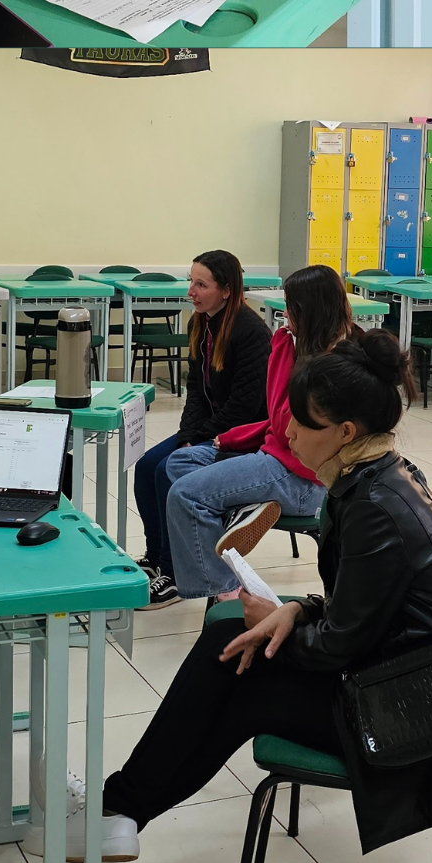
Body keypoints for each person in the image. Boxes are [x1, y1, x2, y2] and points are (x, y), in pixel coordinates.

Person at [94, 332, 432, 863]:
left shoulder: (374, 506)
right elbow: (367, 606)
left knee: (238, 677)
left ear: (345, 431)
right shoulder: (376, 477)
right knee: (229, 639)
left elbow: (341, 646)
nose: (287, 431)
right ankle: (119, 813)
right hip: (396, 674)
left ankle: (117, 812)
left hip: (407, 711)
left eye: (302, 423)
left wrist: (285, 627)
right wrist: (297, 609)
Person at [163, 262, 348, 599]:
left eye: (290, 307)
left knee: (184, 495)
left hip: (305, 479)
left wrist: (282, 350)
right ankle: (244, 510)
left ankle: (228, 591)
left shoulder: (333, 363)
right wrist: (231, 438)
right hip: (277, 459)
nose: (283, 314)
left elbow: (285, 423)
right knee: (180, 461)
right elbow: (275, 420)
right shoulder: (300, 345)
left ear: (310, 310)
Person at [132, 252, 271, 607]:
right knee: (147, 466)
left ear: (226, 290)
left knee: (168, 471)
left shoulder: (252, 332)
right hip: (210, 429)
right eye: (190, 281)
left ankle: (174, 574)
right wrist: (188, 436)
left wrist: (200, 438)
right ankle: (155, 556)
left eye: (200, 284)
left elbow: (244, 406)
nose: (190, 291)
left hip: (243, 435)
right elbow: (195, 390)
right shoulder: (200, 323)